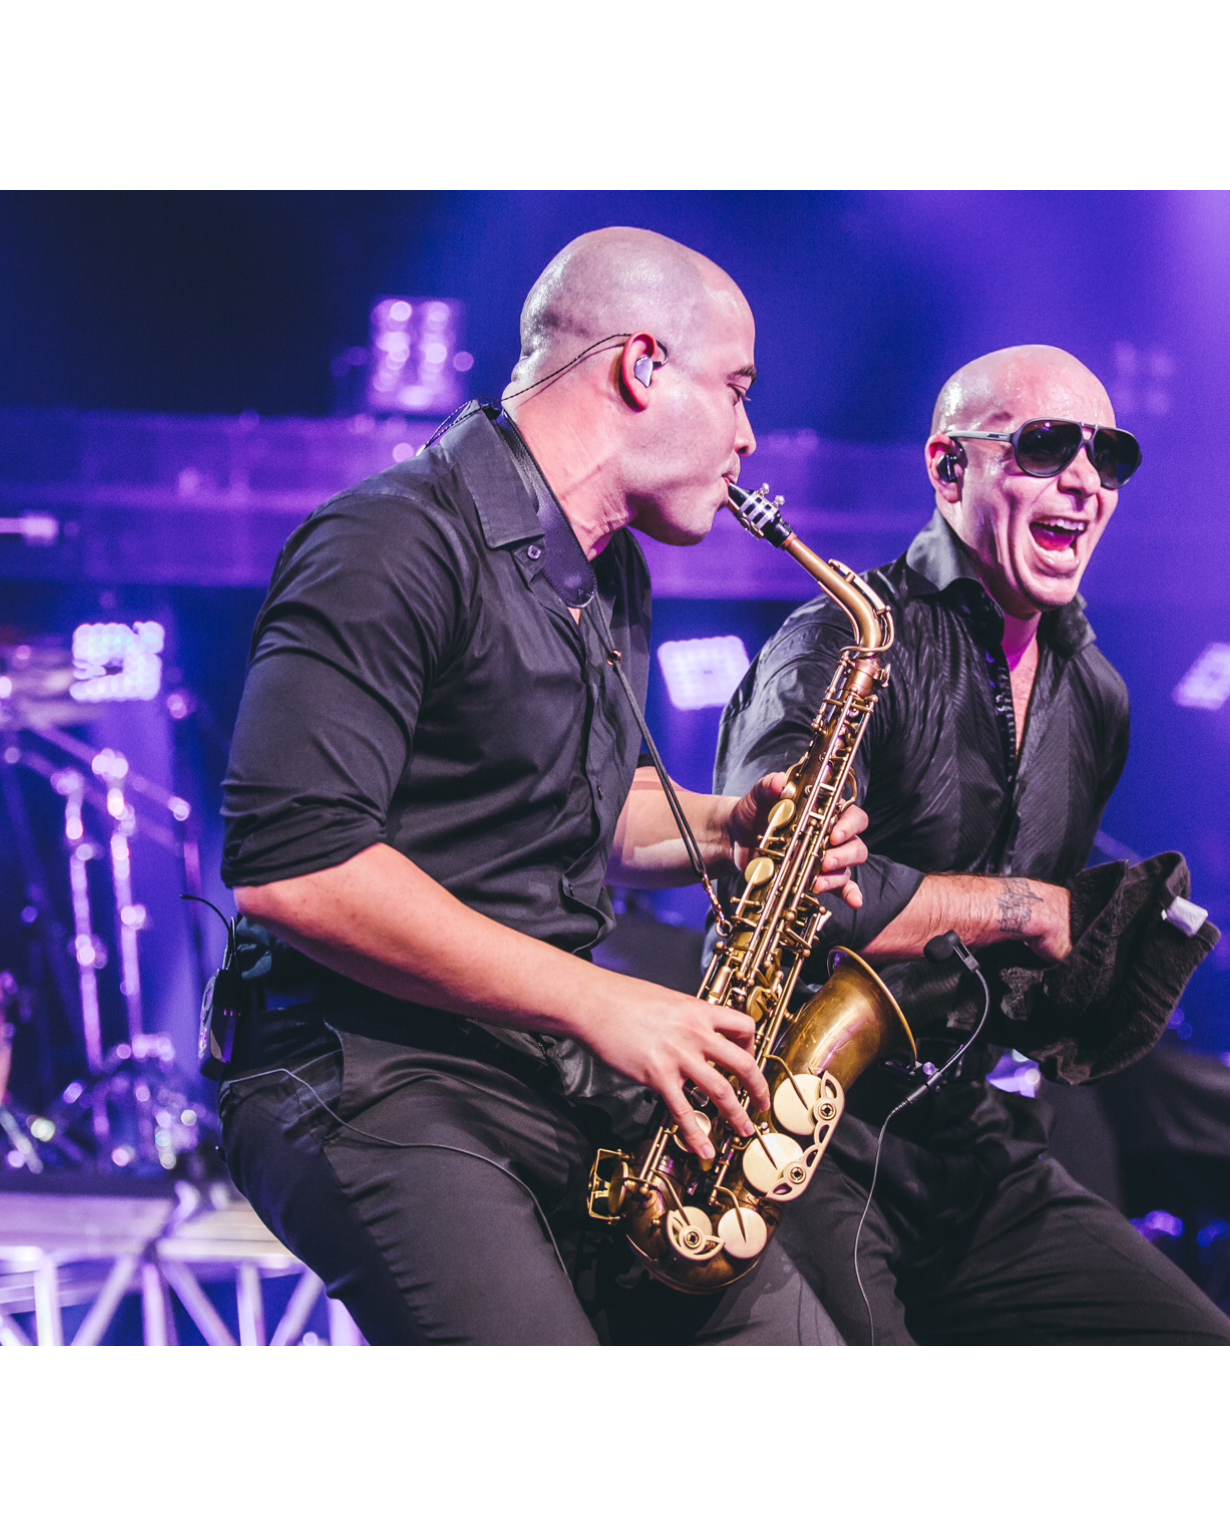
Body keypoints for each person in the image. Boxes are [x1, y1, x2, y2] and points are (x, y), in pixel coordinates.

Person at [214, 228, 867, 1344]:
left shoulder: (610, 570)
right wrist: (604, 1003)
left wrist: (729, 829)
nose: (749, 437)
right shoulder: (389, 540)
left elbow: (568, 810)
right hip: (364, 1069)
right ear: (642, 366)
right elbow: (296, 871)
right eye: (738, 390)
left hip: (529, 1061)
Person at [712, 344, 1230, 1344]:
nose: (1083, 480)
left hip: (974, 1142)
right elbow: (782, 896)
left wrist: (1100, 980)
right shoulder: (836, 641)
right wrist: (1029, 909)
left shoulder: (1097, 696)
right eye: (1044, 446)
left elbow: (1020, 973)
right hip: (800, 1136)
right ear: (948, 467)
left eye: (1109, 457)